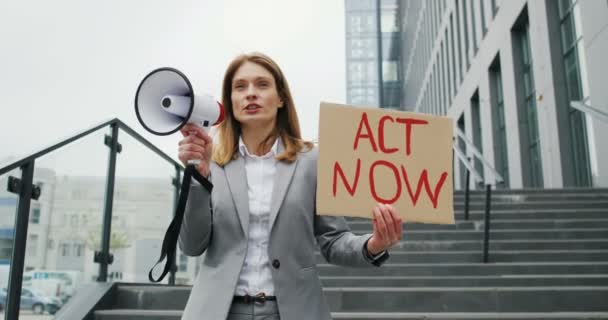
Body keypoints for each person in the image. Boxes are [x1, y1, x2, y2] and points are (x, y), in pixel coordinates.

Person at [177, 52, 403, 320]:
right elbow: (191, 246)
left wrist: (374, 244)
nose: (251, 93)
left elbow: (333, 240)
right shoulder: (211, 161)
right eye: (240, 87)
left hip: (293, 310)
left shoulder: (313, 161)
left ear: (281, 98)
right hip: (218, 311)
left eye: (262, 85)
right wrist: (198, 178)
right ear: (231, 102)